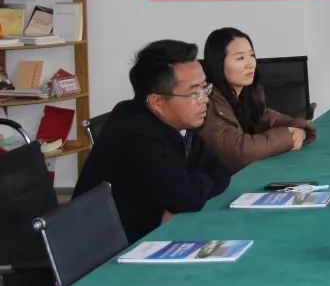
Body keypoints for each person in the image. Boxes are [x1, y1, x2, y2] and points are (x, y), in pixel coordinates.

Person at [73, 40, 230, 243]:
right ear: (157, 101)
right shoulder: (137, 133)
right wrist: (191, 189)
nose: (205, 99)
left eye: (204, 88)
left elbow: (220, 170)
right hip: (109, 249)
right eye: (194, 92)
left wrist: (192, 186)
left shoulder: (177, 120)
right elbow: (187, 197)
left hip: (148, 234)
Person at [198, 27, 315, 173]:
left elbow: (270, 119)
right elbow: (239, 151)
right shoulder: (206, 101)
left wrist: (302, 130)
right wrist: (288, 135)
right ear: (218, 64)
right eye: (240, 58)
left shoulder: (248, 94)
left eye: (251, 55)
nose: (250, 64)